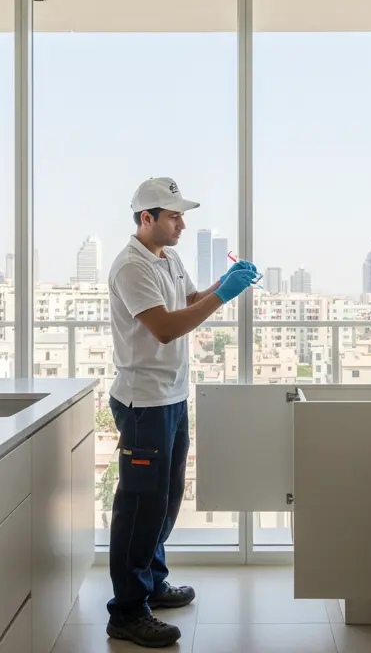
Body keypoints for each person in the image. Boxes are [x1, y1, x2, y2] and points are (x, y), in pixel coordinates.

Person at [104, 177, 258, 648]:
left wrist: (221, 284)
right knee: (139, 505)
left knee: (167, 498)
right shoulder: (131, 266)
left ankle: (151, 580)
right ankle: (127, 611)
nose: (182, 224)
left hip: (170, 395)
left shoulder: (168, 258)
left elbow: (187, 302)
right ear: (146, 218)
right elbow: (166, 328)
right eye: (173, 216)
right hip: (142, 402)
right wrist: (224, 296)